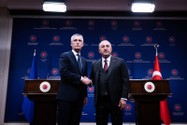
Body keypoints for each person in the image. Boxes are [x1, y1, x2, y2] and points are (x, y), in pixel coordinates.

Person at [90, 40, 129, 125]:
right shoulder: (95, 64)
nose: (105, 48)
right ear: (99, 50)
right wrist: (86, 80)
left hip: (116, 101)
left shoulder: (120, 62)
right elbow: (92, 80)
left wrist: (123, 98)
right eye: (103, 47)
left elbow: (125, 81)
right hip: (100, 101)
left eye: (107, 46)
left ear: (111, 49)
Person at [57, 33, 92, 125]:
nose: (77, 42)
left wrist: (85, 95)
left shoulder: (84, 60)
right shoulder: (65, 55)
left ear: (83, 44)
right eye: (75, 41)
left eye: (80, 41)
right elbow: (64, 73)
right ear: (71, 44)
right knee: (63, 122)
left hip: (79, 98)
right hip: (66, 97)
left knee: (75, 122)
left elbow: (84, 78)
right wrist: (81, 78)